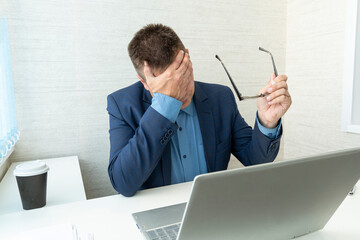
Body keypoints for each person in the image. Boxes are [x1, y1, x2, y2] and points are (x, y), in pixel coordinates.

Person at [107, 24, 292, 197]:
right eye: (168, 86)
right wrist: (163, 108)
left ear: (188, 58)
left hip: (210, 211)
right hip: (159, 215)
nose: (181, 91)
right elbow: (123, 183)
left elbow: (256, 161)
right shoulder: (122, 105)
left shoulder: (220, 98)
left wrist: (267, 121)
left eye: (183, 76)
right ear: (144, 83)